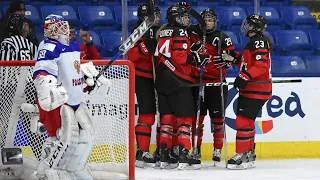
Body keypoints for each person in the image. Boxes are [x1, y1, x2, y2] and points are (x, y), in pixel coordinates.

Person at [33, 14, 111, 179]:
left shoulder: (73, 46)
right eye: (60, 26)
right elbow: (42, 71)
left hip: (75, 101)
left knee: (85, 136)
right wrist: (47, 88)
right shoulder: (49, 46)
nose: (64, 28)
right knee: (58, 138)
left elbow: (74, 69)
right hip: (58, 103)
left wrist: (88, 79)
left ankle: (75, 169)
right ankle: (46, 171)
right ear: (52, 29)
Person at [154, 4, 210, 170]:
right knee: (185, 118)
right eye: (184, 16)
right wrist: (196, 59)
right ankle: (184, 154)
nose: (187, 19)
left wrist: (191, 52)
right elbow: (179, 57)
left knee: (167, 118)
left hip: (162, 79)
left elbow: (169, 53)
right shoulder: (180, 32)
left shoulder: (163, 32)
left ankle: (164, 155)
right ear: (176, 18)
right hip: (177, 80)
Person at [219, 14, 272, 169]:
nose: (245, 26)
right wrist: (234, 58)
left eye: (248, 24)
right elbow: (248, 63)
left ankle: (241, 155)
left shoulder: (258, 42)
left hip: (256, 89)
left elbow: (260, 65)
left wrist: (244, 76)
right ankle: (248, 154)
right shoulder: (255, 42)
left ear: (252, 27)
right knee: (247, 121)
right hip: (255, 89)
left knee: (243, 121)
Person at [188, 8, 237, 163]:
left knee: (217, 120)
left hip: (217, 83)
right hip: (198, 83)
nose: (208, 23)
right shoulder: (193, 35)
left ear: (215, 22)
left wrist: (227, 60)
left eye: (211, 20)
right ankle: (196, 149)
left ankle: (217, 149)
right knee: (197, 120)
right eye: (205, 20)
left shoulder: (222, 37)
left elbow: (232, 57)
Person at [127, 4, 160, 168]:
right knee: (147, 114)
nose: (157, 18)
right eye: (154, 15)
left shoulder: (160, 30)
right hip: (142, 77)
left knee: (161, 116)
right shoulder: (138, 31)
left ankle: (162, 149)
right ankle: (142, 151)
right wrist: (146, 46)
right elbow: (129, 55)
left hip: (159, 77)